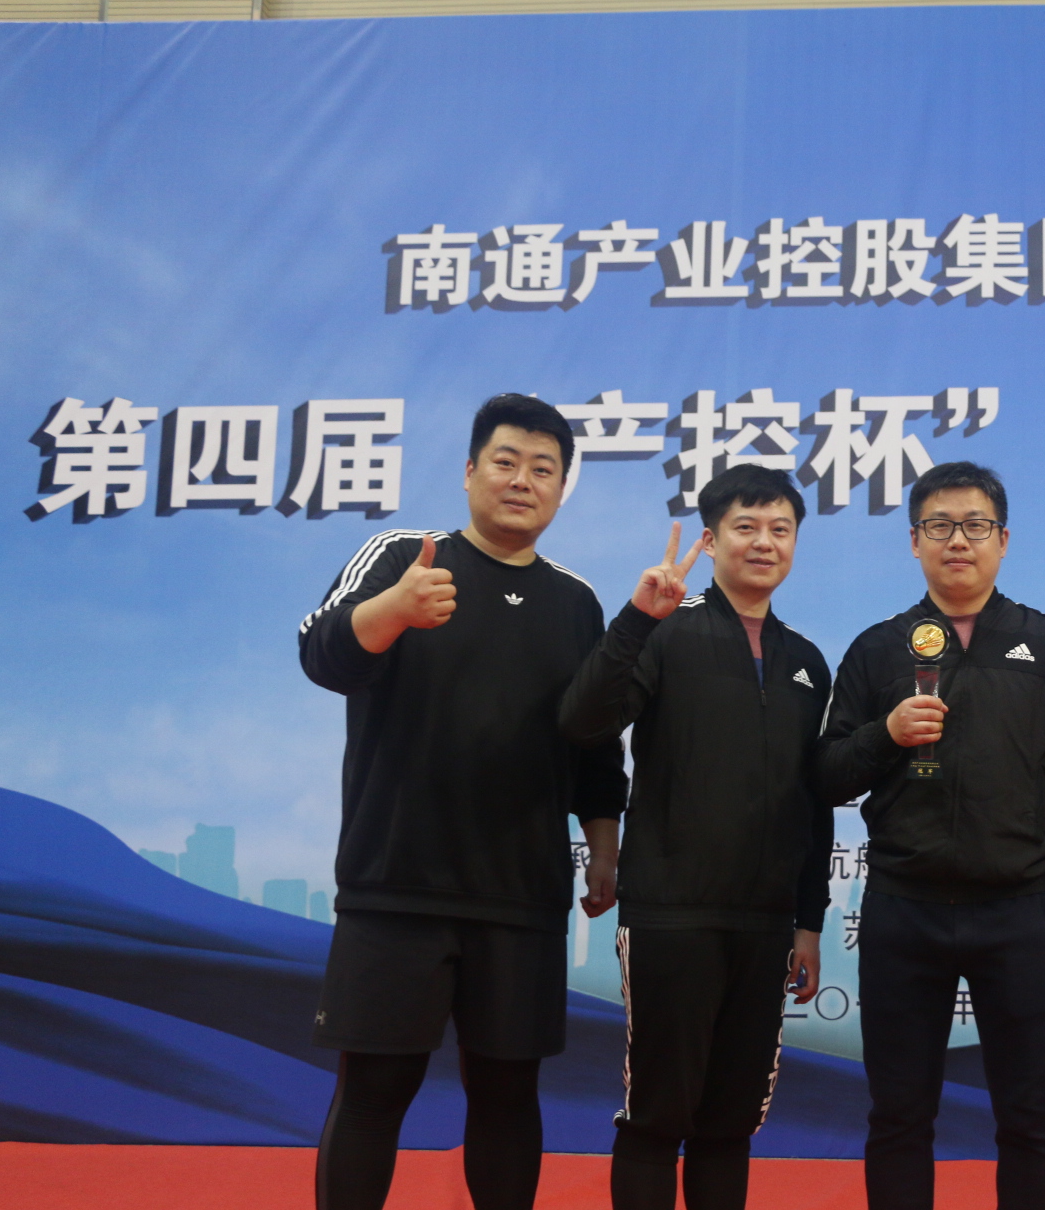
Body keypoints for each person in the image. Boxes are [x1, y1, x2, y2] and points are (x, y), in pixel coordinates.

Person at [298, 393, 627, 1210]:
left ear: (560, 490)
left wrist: (604, 845)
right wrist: (395, 612)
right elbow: (322, 653)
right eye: (506, 462)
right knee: (374, 1092)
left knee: (509, 1099)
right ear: (472, 471)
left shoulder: (576, 602)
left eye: (543, 469)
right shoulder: (404, 556)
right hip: (395, 888)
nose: (522, 481)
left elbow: (594, 744)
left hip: (520, 898)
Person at [819, 461, 1045, 1210]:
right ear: (914, 541)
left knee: (1030, 1116)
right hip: (903, 910)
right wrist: (885, 734)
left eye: (976, 525)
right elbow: (825, 775)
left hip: (1016, 910)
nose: (959, 541)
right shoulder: (878, 648)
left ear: (1004, 540)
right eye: (940, 526)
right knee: (898, 1116)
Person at [559, 464, 833, 1210]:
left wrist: (808, 923)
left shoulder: (807, 663)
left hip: (767, 922)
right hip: (671, 915)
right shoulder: (666, 631)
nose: (765, 543)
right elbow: (582, 723)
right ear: (710, 541)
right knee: (658, 1116)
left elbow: (815, 801)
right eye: (746, 527)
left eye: (781, 529)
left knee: (729, 1125)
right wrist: (636, 621)